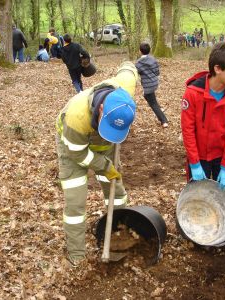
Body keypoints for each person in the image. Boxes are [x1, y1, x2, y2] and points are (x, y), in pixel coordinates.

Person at [55, 62, 138, 267]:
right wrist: (105, 166)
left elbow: (128, 69)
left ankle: (117, 235)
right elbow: (79, 154)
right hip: (73, 147)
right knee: (75, 201)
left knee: (116, 191)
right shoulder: (77, 115)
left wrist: (131, 65)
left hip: (104, 147)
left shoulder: (124, 95)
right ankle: (77, 255)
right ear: (101, 108)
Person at [181, 42, 225, 250]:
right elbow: (188, 131)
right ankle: (195, 230)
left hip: (222, 156)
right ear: (218, 69)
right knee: (196, 193)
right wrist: (195, 162)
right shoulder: (193, 93)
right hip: (199, 157)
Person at [135, 42, 168, 128]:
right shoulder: (153, 59)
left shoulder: (138, 63)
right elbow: (157, 72)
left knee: (152, 102)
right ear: (149, 50)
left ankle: (164, 120)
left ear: (140, 51)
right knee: (150, 97)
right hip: (155, 83)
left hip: (148, 86)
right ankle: (160, 108)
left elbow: (137, 73)